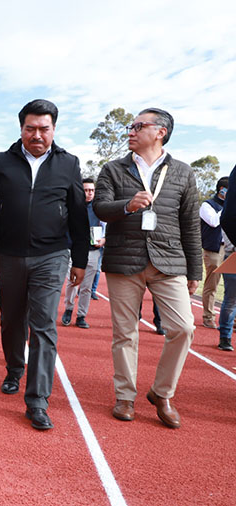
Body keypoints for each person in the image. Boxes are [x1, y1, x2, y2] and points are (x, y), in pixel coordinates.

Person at [0, 99, 89, 430]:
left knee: (43, 326)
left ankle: (37, 400)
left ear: (54, 129)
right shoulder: (2, 161)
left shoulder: (69, 164)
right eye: (30, 128)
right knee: (11, 320)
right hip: (8, 255)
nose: (37, 135)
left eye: (44, 129)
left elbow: (79, 215)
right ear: (21, 128)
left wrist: (79, 259)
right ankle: (14, 369)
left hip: (52, 256)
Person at [93, 107, 200, 429]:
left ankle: (161, 392)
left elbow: (190, 225)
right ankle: (124, 395)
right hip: (124, 261)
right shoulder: (113, 169)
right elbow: (99, 207)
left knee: (184, 328)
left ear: (160, 132)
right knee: (125, 333)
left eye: (139, 126)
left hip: (169, 261)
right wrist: (126, 206)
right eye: (130, 126)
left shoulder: (183, 172)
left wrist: (195, 270)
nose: (131, 131)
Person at [61, 178, 106, 329]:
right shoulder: (72, 206)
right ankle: (68, 309)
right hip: (73, 250)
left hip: (93, 250)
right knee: (72, 283)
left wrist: (104, 239)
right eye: (86, 190)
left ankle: (81, 315)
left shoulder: (99, 208)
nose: (89, 193)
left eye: (92, 190)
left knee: (86, 287)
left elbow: (108, 225)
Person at [200, 177, 228, 328]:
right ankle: (208, 316)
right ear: (222, 190)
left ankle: (231, 320)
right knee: (212, 285)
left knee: (232, 286)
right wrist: (228, 206)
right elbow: (214, 222)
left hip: (230, 248)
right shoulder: (207, 205)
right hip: (214, 249)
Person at [219, 164, 236, 351]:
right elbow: (226, 220)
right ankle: (225, 336)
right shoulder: (228, 212)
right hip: (232, 255)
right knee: (231, 299)